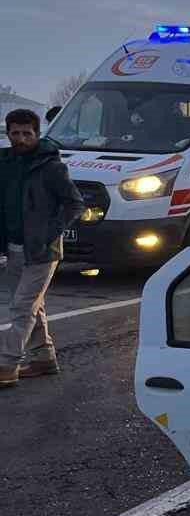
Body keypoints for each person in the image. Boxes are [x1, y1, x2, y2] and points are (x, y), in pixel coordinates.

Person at [0, 108, 83, 387]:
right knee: (30, 305)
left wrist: (50, 233)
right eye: (15, 133)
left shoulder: (51, 166)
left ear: (37, 134)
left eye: (27, 133)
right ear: (8, 133)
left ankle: (7, 365)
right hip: (13, 247)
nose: (21, 139)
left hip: (42, 250)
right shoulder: (5, 163)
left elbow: (75, 203)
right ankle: (44, 358)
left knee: (23, 307)